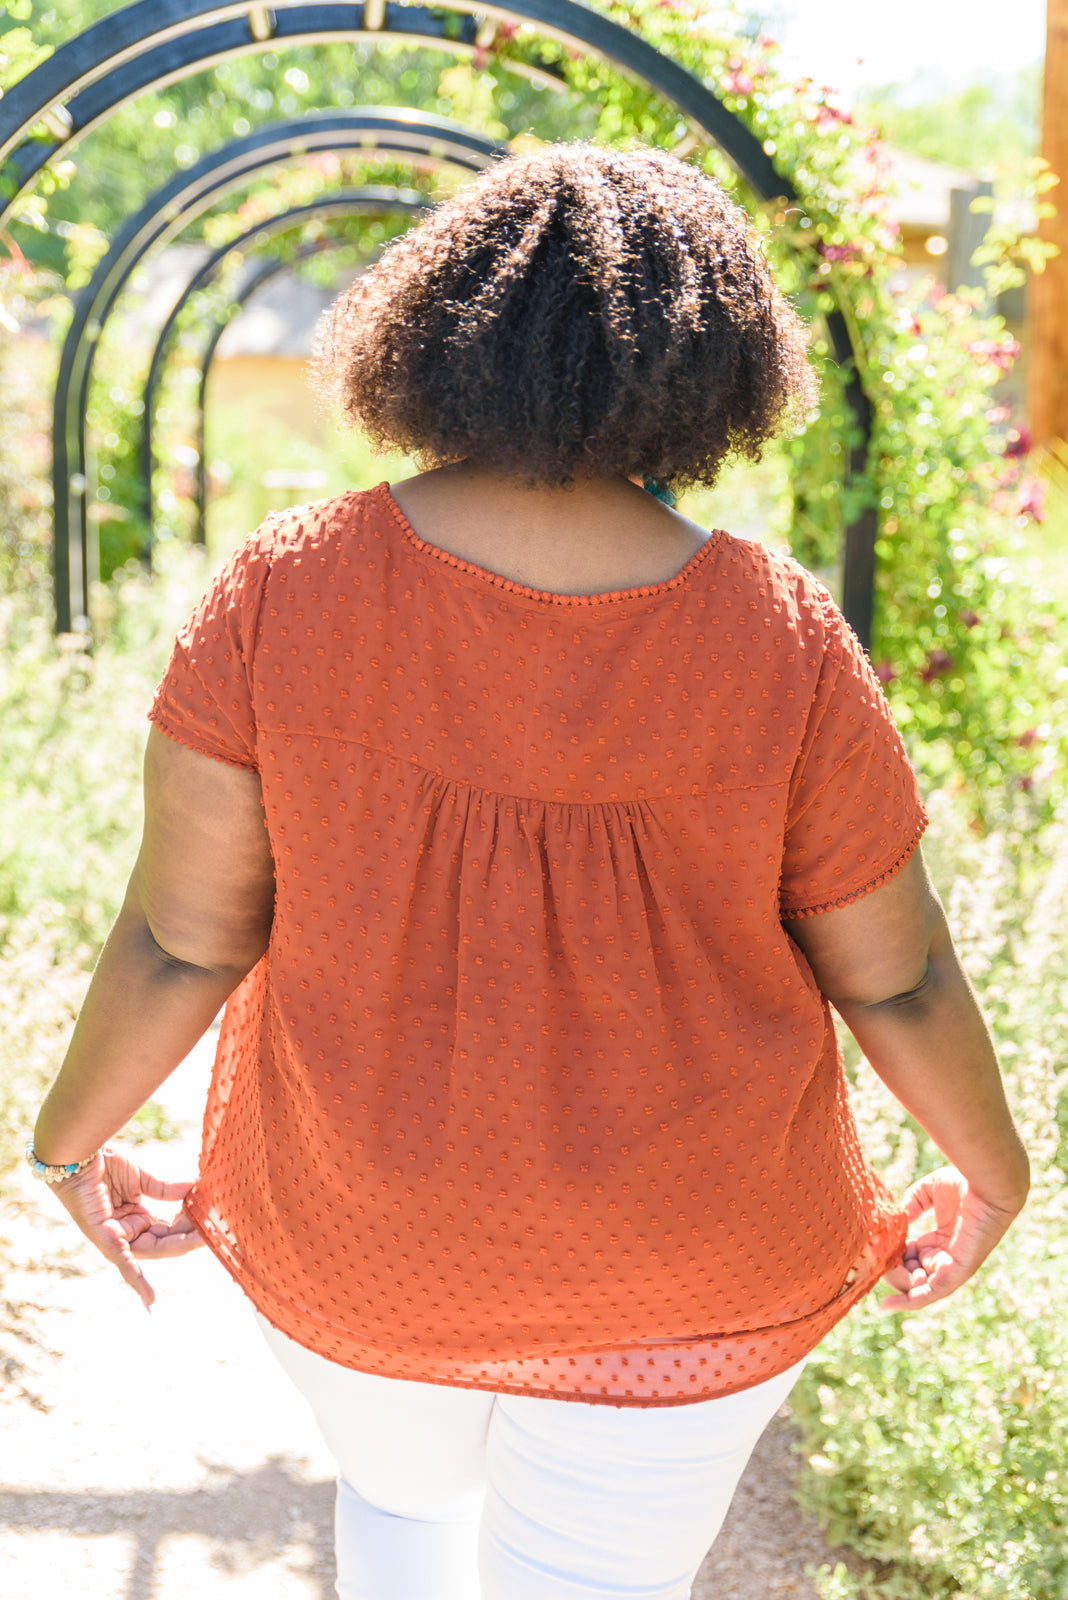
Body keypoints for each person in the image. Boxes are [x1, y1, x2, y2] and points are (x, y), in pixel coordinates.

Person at [29, 144, 1028, 1600]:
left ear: (433, 327)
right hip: (696, 1257)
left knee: (397, 1492)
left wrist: (70, 1139)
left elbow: (183, 941)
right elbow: (901, 970)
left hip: (364, 1235)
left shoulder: (283, 588)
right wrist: (991, 1169)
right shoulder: (781, 634)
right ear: (719, 357)